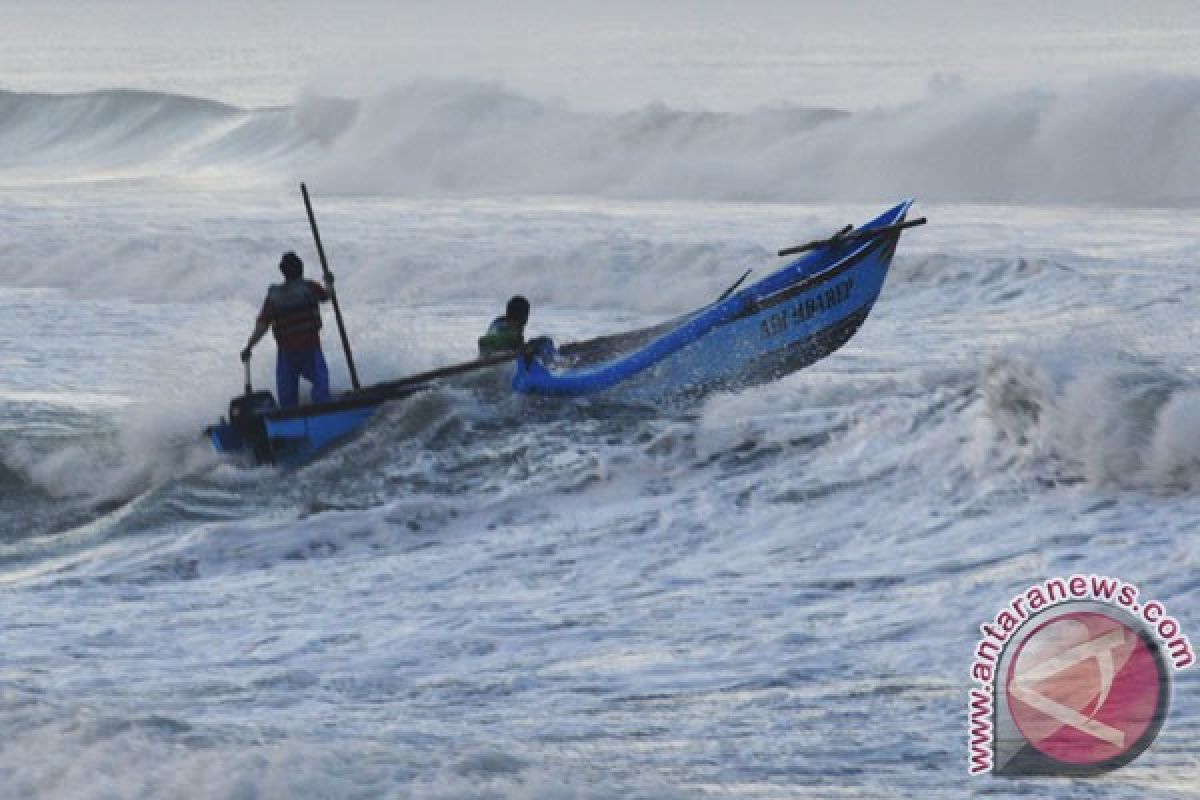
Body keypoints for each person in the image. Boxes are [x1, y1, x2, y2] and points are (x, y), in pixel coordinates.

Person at [241, 251, 333, 408]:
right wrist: (329, 282)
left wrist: (249, 346)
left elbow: (262, 326)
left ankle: (290, 417)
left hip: (288, 353)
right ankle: (322, 409)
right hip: (307, 349)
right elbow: (328, 295)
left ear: (282, 271)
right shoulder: (310, 288)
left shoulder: (275, 296)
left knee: (287, 396)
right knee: (320, 383)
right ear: (301, 268)